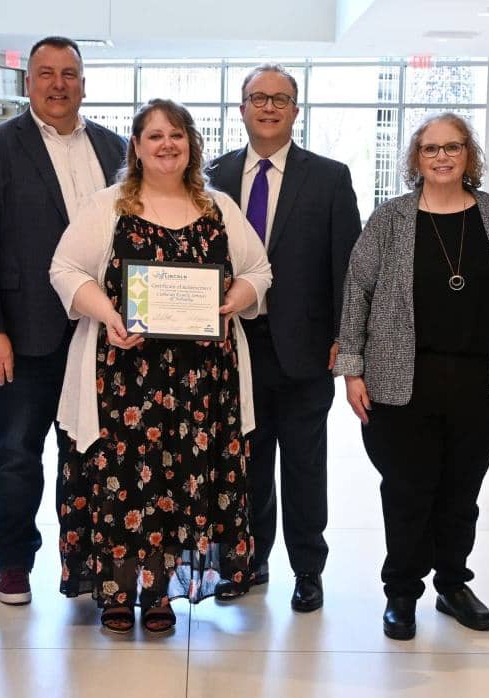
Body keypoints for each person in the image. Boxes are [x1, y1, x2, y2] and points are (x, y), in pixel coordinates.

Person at [49, 98, 272, 633]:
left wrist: (232, 301)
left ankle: (160, 595)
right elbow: (65, 268)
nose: (167, 145)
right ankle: (118, 591)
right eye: (155, 136)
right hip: (123, 377)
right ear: (137, 146)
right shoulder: (107, 206)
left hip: (202, 383)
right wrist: (109, 316)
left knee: (181, 486)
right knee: (123, 483)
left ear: (191, 144)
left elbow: (259, 270)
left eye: (176, 135)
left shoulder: (218, 207)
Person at [334, 112, 489, 640]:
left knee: (461, 494)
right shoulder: (390, 219)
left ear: (470, 155)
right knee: (407, 493)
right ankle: (401, 591)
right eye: (430, 149)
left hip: (483, 386)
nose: (442, 157)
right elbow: (357, 291)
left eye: (453, 147)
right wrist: (351, 369)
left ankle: (452, 584)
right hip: (401, 385)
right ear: (415, 159)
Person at [0, 37, 126, 605]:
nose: (58, 84)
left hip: (102, 334)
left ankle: (89, 562)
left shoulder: (115, 148)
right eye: (45, 73)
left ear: (84, 84)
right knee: (18, 452)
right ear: (27, 83)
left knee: (94, 455)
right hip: (24, 332)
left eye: (69, 74)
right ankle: (12, 562)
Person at [206, 64, 362, 612]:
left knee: (303, 465)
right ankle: (249, 561)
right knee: (244, 462)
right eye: (258, 98)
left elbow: (348, 268)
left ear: (296, 110)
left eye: (280, 98)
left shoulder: (330, 178)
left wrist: (346, 338)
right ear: (241, 108)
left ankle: (308, 569)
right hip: (231, 347)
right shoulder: (212, 176)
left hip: (305, 349)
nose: (269, 107)